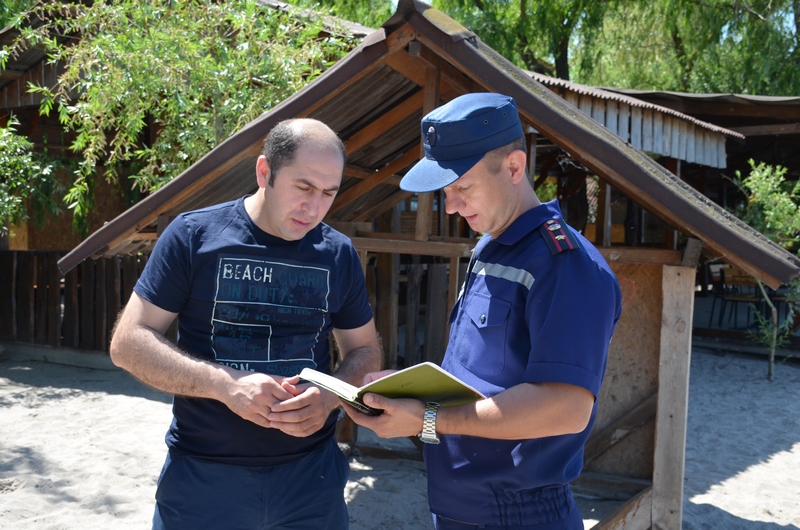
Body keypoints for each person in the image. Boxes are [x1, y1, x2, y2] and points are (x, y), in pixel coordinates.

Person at [342, 93, 623, 529]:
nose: (451, 206)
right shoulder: (492, 247)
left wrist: (430, 418)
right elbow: (482, 381)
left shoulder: (565, 265)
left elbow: (567, 406)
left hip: (519, 514)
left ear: (514, 167)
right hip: (459, 507)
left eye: (463, 188)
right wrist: (412, 400)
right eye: (446, 192)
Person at [109, 118, 382, 529]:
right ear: (264, 172)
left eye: (329, 193)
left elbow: (366, 351)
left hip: (312, 477)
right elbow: (127, 343)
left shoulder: (338, 253)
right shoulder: (193, 236)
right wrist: (226, 385)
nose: (315, 207)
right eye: (303, 187)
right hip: (204, 476)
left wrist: (329, 397)